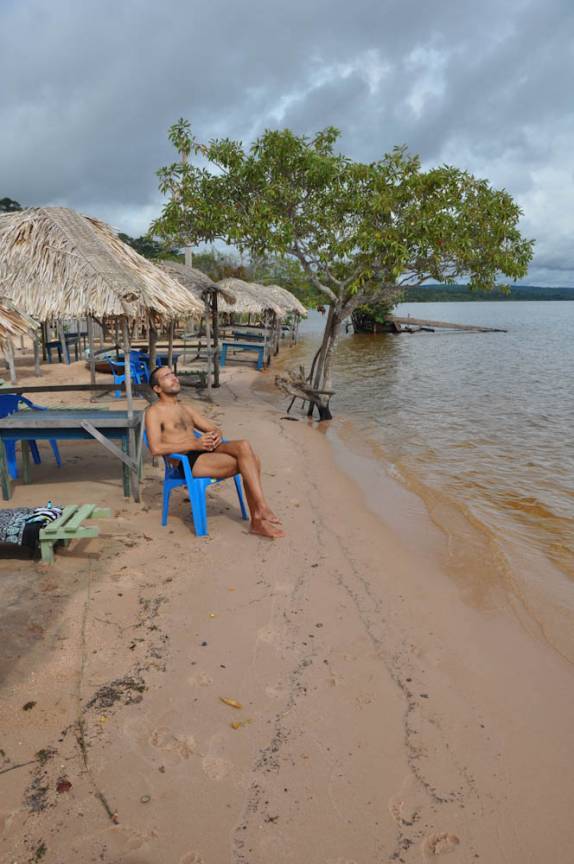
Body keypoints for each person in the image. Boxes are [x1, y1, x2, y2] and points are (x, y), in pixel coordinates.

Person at [145, 366, 285, 539]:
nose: (174, 377)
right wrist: (194, 443)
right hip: (186, 460)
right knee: (251, 462)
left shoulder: (185, 409)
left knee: (244, 446)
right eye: (167, 376)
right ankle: (258, 516)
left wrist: (216, 435)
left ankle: (260, 509)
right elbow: (155, 448)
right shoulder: (154, 412)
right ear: (157, 388)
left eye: (173, 373)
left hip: (203, 449)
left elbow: (213, 428)